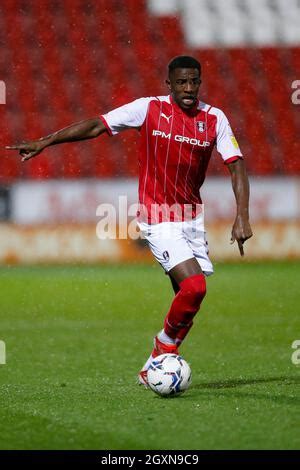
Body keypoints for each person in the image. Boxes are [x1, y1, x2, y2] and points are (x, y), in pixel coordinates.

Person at [6, 55, 253, 386]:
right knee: (195, 286)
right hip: (157, 215)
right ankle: (160, 353)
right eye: (181, 82)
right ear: (169, 84)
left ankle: (155, 363)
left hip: (191, 217)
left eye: (194, 81)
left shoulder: (214, 119)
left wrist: (242, 217)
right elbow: (97, 124)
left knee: (189, 297)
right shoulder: (149, 109)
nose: (189, 88)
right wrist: (46, 141)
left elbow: (236, 164)